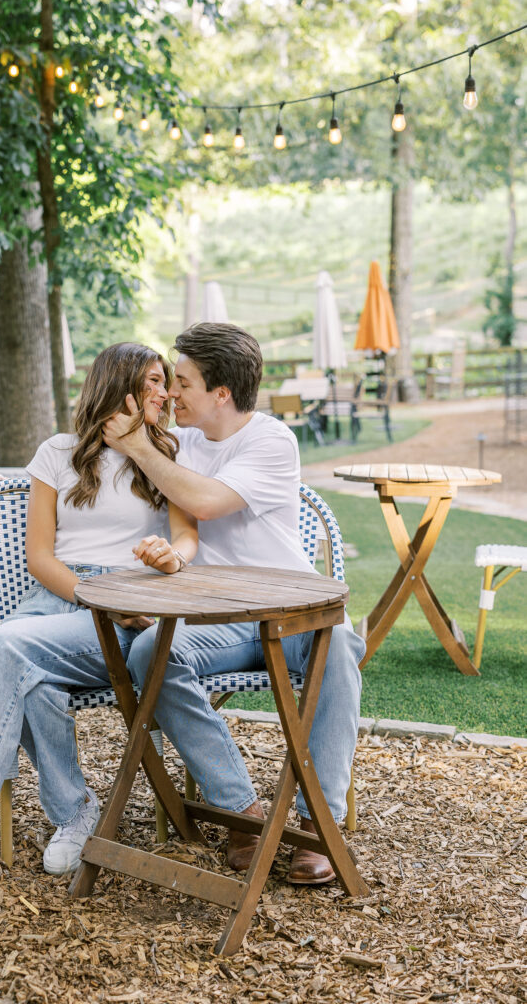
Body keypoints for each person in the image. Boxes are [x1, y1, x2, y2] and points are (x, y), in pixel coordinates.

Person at [0, 343, 198, 906]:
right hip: (54, 598)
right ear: (117, 389)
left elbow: (187, 535)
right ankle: (76, 812)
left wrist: (170, 561)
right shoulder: (58, 452)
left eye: (165, 382)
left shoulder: (166, 453)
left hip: (123, 608)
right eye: (152, 382)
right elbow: (39, 557)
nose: (165, 392)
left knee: (5, 650)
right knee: (24, 670)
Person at [103, 322, 365, 883]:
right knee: (150, 652)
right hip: (216, 618)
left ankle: (318, 821)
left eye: (184, 381)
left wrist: (138, 448)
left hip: (288, 610)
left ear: (221, 393)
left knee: (339, 642)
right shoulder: (182, 441)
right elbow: (90, 458)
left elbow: (205, 500)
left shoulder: (272, 441)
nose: (172, 392)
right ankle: (240, 811)